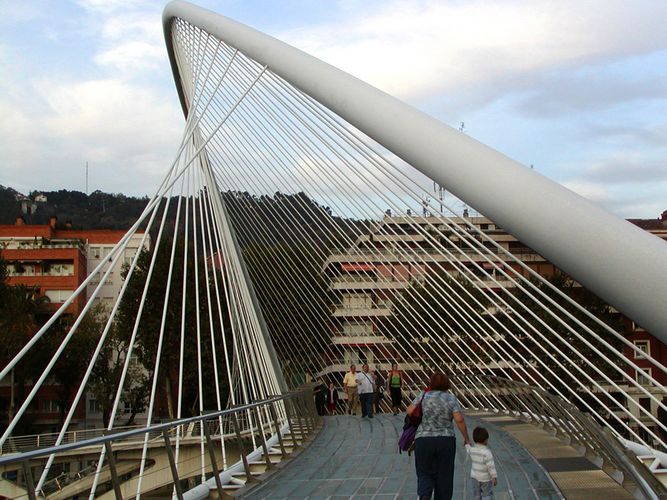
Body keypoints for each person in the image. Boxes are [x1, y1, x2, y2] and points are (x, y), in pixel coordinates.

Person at [407, 372, 469, 500]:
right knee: (445, 475)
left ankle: (424, 495)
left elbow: (409, 411)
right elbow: (459, 419)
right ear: (447, 383)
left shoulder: (423, 395)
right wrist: (466, 438)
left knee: (424, 472)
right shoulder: (450, 398)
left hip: (423, 440)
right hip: (445, 440)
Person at [467, 427, 497, 500]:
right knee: (486, 494)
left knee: (476, 495)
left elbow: (468, 448)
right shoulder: (487, 452)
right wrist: (494, 477)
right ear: (486, 440)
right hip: (485, 478)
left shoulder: (472, 449)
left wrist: (466, 444)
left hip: (474, 477)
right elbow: (491, 466)